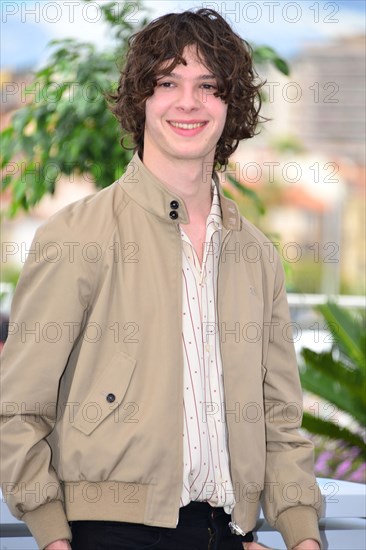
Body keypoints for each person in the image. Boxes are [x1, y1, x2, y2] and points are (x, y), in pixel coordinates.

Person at [0, 8, 323, 550]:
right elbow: (18, 409)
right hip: (105, 535)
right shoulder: (76, 236)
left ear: (231, 104)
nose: (188, 102)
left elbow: (279, 420)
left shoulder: (257, 254)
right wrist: (54, 539)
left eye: (209, 86)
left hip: (228, 533)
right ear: (140, 100)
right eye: (167, 82)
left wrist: (302, 539)